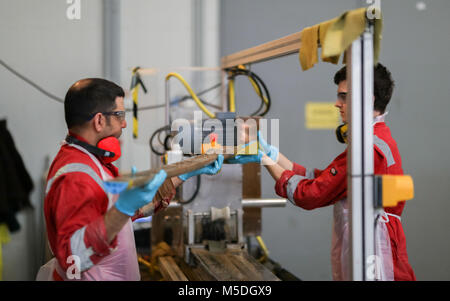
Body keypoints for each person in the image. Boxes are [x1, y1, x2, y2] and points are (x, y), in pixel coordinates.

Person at [228, 63, 416, 281]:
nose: (337, 104)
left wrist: (263, 158)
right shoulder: (375, 140)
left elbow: (310, 194)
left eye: (344, 97)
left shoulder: (369, 150)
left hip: (377, 261)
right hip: (369, 248)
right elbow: (322, 179)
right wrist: (271, 152)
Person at [37, 78, 223, 281]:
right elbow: (74, 258)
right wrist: (122, 208)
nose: (124, 123)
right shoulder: (76, 177)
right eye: (119, 115)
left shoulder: (91, 162)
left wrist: (186, 173)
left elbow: (123, 215)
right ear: (99, 120)